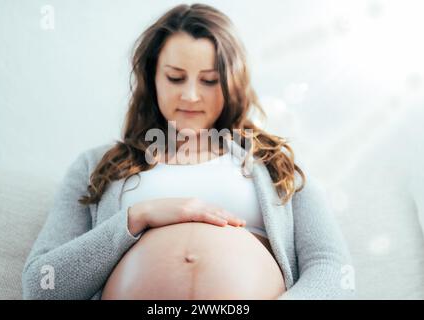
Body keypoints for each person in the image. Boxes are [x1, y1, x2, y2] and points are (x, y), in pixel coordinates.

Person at [22, 3, 355, 300]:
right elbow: (41, 287)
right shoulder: (96, 166)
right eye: (176, 77)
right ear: (152, 77)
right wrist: (138, 217)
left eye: (209, 80)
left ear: (232, 83)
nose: (191, 95)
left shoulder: (275, 163)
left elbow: (333, 273)